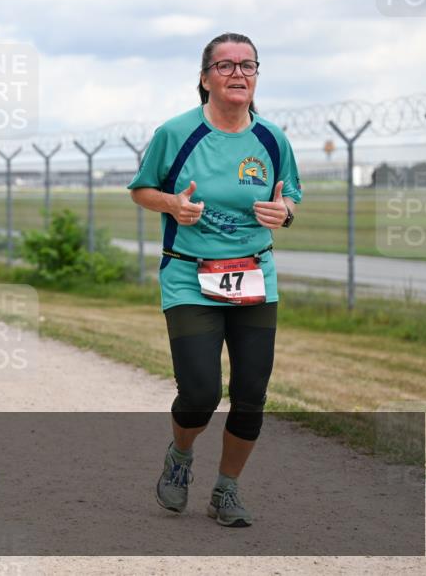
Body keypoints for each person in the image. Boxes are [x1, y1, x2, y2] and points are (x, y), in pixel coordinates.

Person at [127, 33, 302, 527]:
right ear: (204, 79)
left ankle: (226, 489)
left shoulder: (272, 138)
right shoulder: (177, 133)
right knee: (202, 391)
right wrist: (172, 205)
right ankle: (180, 457)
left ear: (256, 76)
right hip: (188, 274)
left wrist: (282, 212)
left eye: (248, 65)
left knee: (251, 393)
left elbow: (294, 196)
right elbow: (142, 189)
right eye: (225, 66)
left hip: (254, 275)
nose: (238, 74)